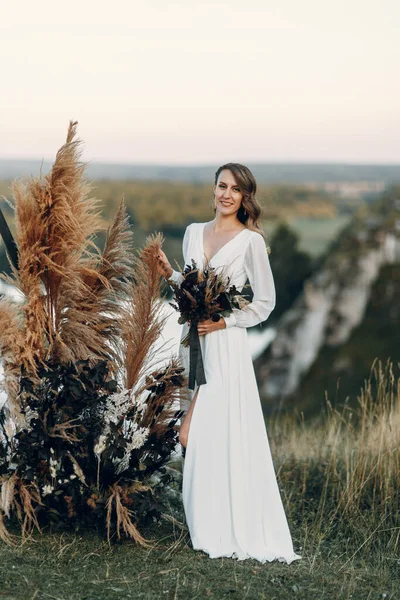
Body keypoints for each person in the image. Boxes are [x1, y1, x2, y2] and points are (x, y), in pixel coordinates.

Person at [156, 163, 302, 564]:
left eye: (235, 189)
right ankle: (205, 520)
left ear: (244, 197)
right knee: (195, 432)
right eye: (222, 185)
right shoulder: (192, 233)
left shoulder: (251, 241)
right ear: (214, 189)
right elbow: (190, 288)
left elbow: (265, 303)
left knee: (212, 428)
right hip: (194, 342)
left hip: (226, 345)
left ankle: (231, 522)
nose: (226, 194)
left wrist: (224, 321)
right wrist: (168, 272)